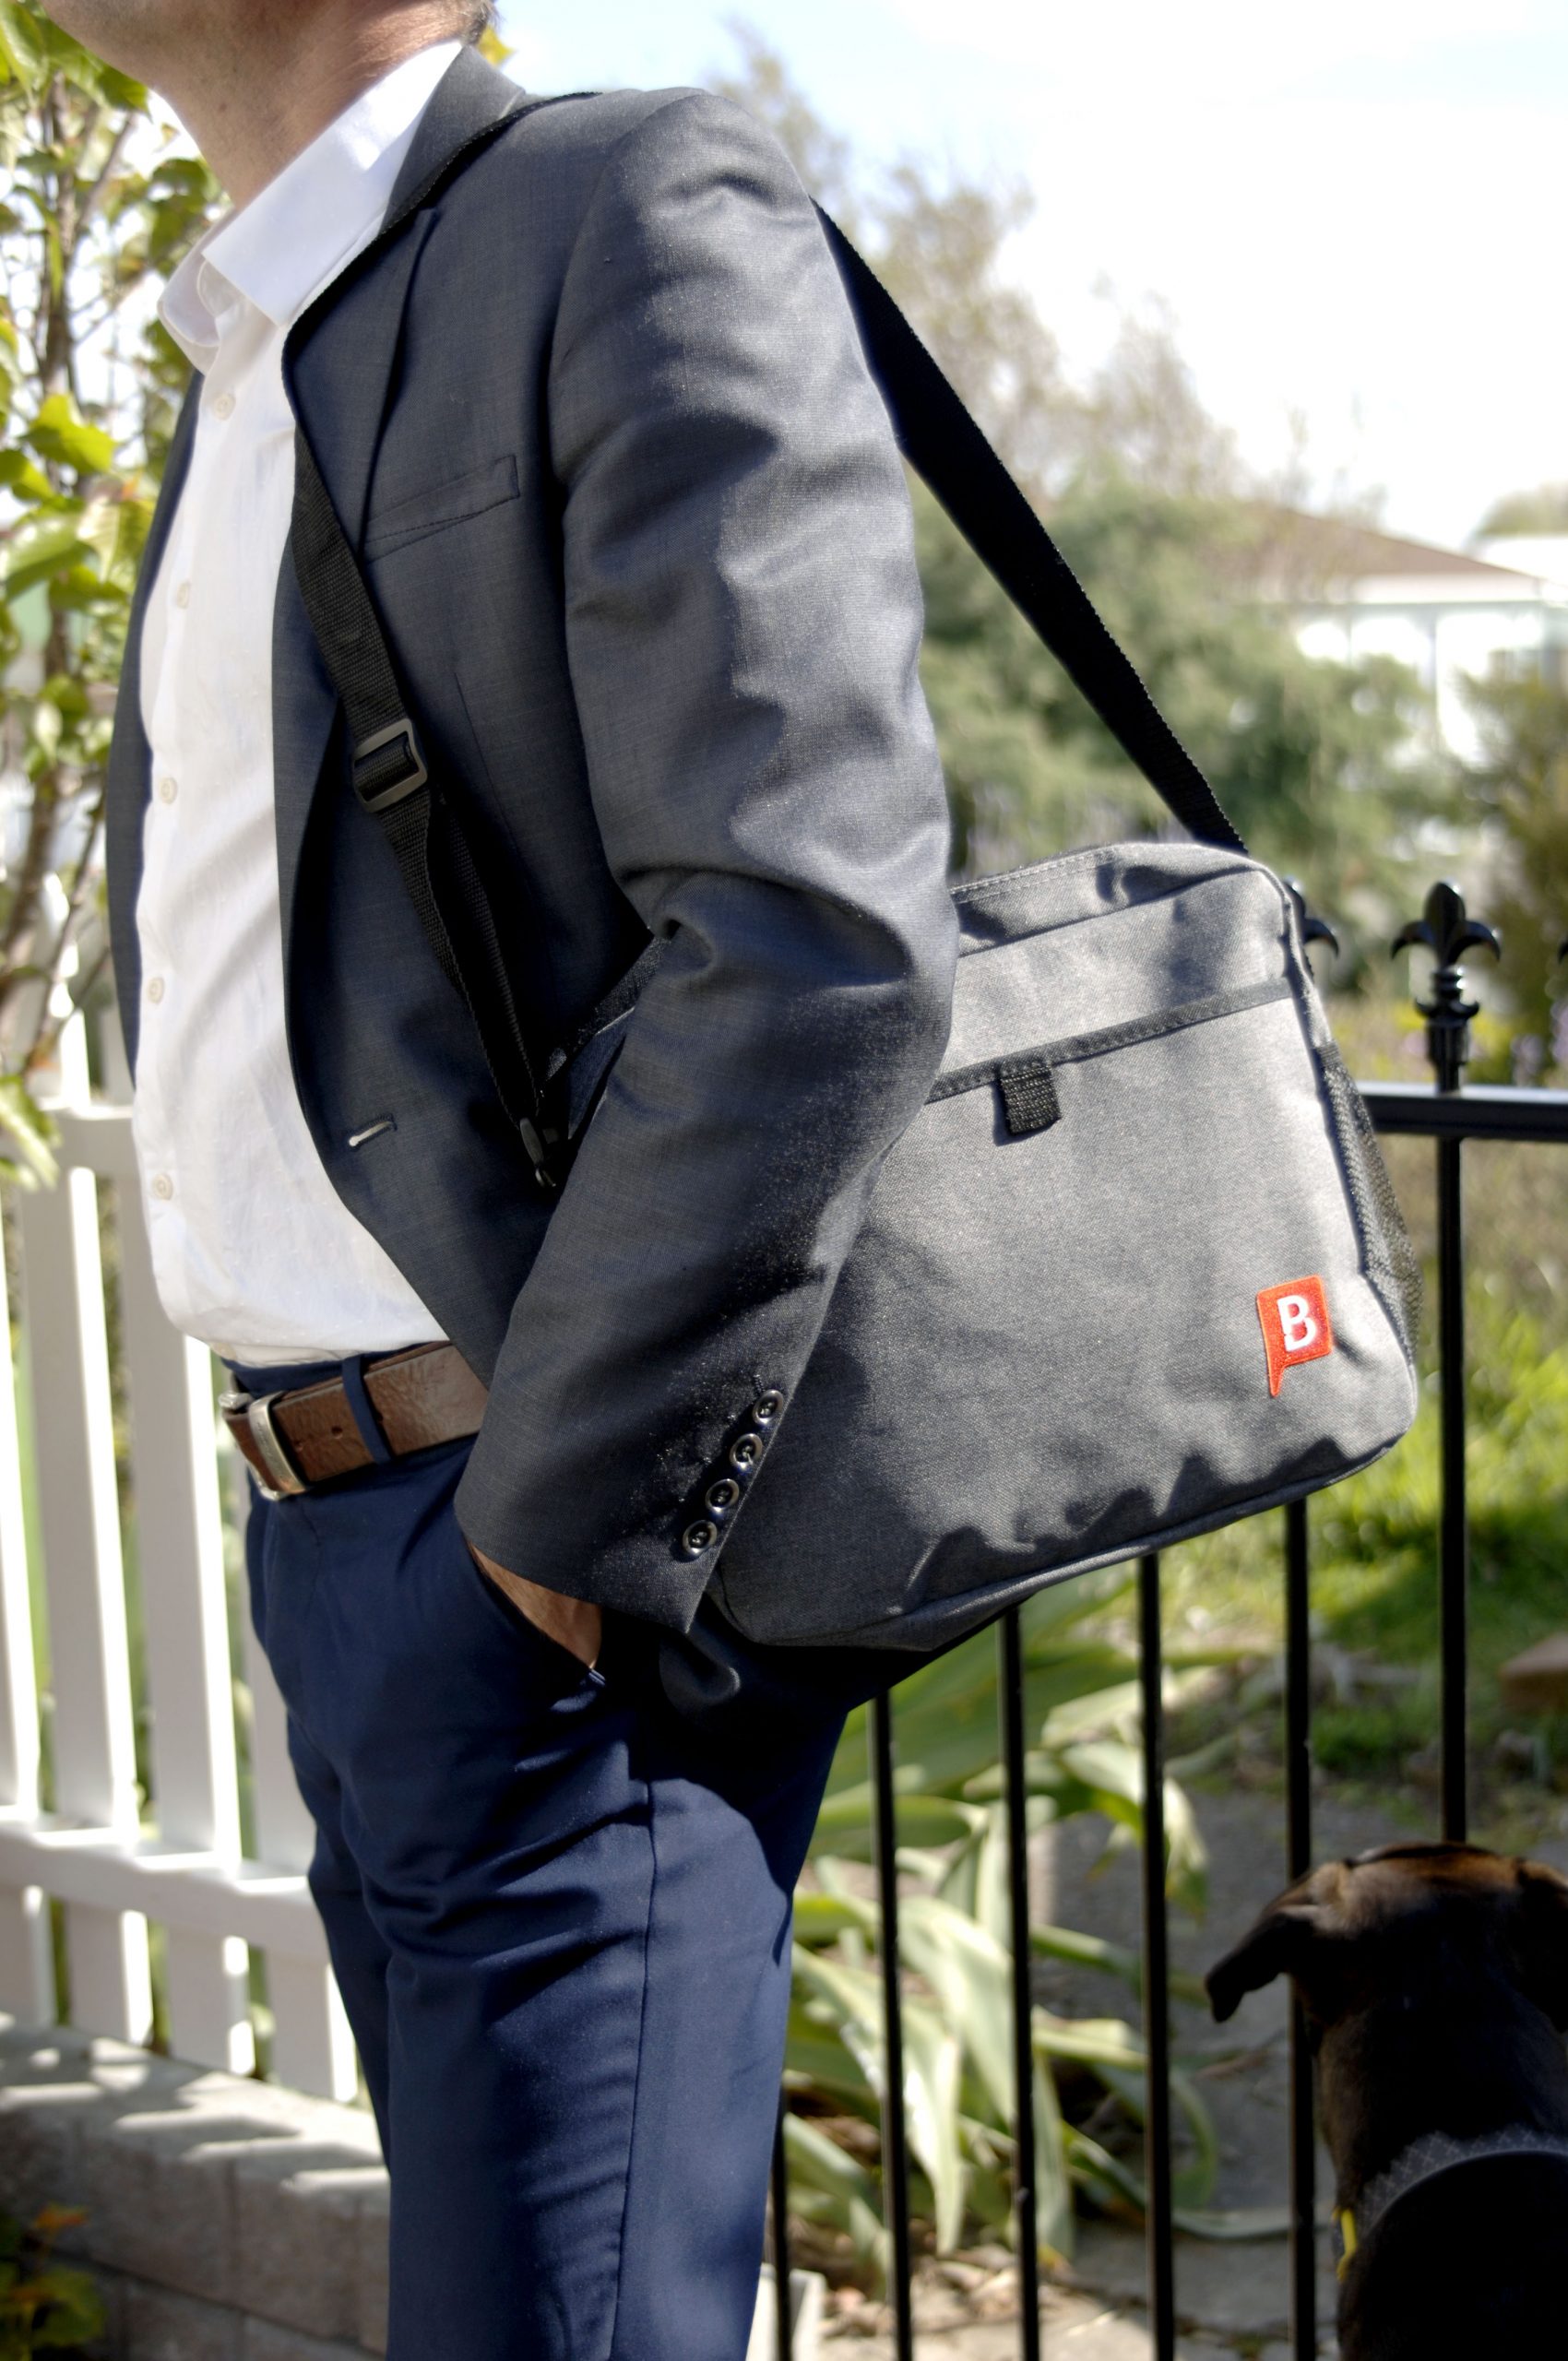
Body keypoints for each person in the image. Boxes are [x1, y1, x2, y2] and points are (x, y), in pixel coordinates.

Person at [51, 0, 957, 2350]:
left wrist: (557, 1530)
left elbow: (814, 933)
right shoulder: (251, 337)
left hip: (535, 1554)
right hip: (345, 1544)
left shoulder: (621, 207)